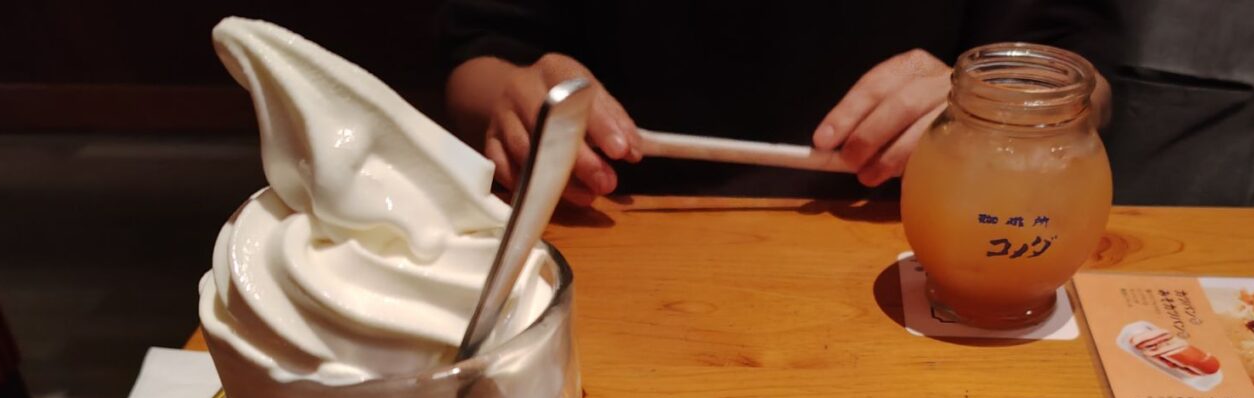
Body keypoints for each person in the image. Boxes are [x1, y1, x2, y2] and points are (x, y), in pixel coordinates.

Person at [439, 1, 1118, 203]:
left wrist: (1002, 105)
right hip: (618, 225)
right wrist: (513, 98)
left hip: (911, 227)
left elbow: (1089, 77)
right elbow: (476, 58)